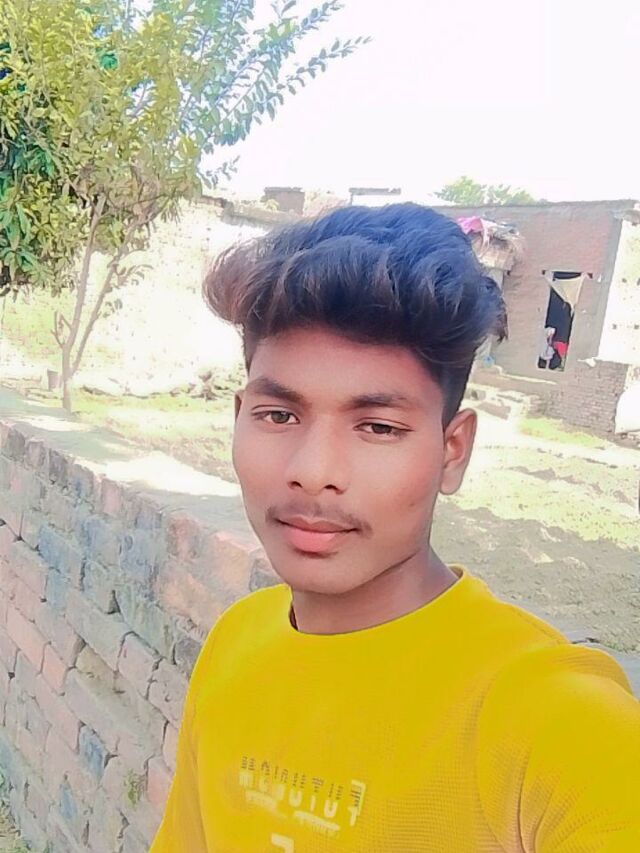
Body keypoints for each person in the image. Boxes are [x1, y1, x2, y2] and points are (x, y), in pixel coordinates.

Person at [150, 204, 640, 852]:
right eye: (279, 415)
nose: (313, 472)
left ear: (452, 452)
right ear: (239, 417)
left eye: (378, 427)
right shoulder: (234, 642)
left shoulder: (554, 717)